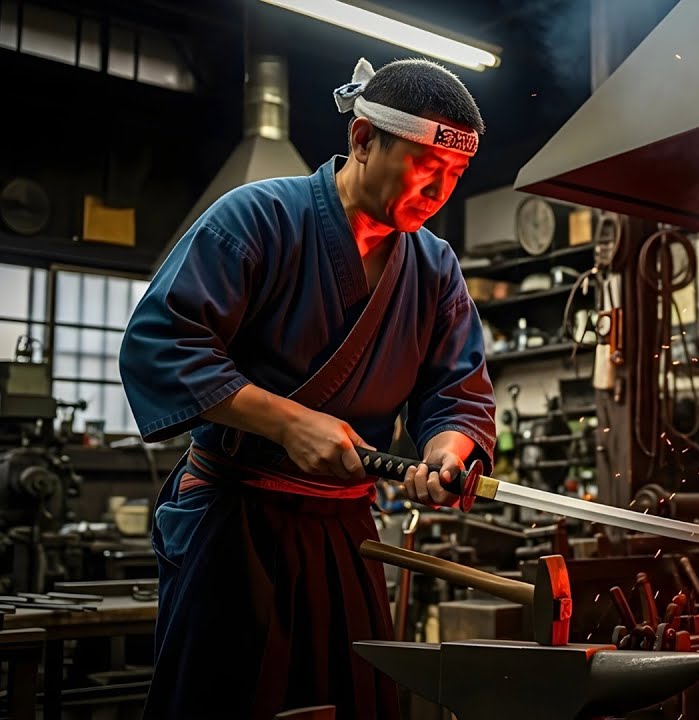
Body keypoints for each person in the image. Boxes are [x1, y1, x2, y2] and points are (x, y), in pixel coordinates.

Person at [119, 56, 497, 719]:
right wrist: (288, 423)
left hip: (346, 530)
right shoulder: (256, 219)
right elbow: (163, 342)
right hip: (233, 523)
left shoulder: (436, 268)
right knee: (227, 701)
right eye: (423, 166)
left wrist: (449, 450)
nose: (439, 190)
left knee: (354, 698)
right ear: (362, 140)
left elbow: (456, 393)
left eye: (455, 176)